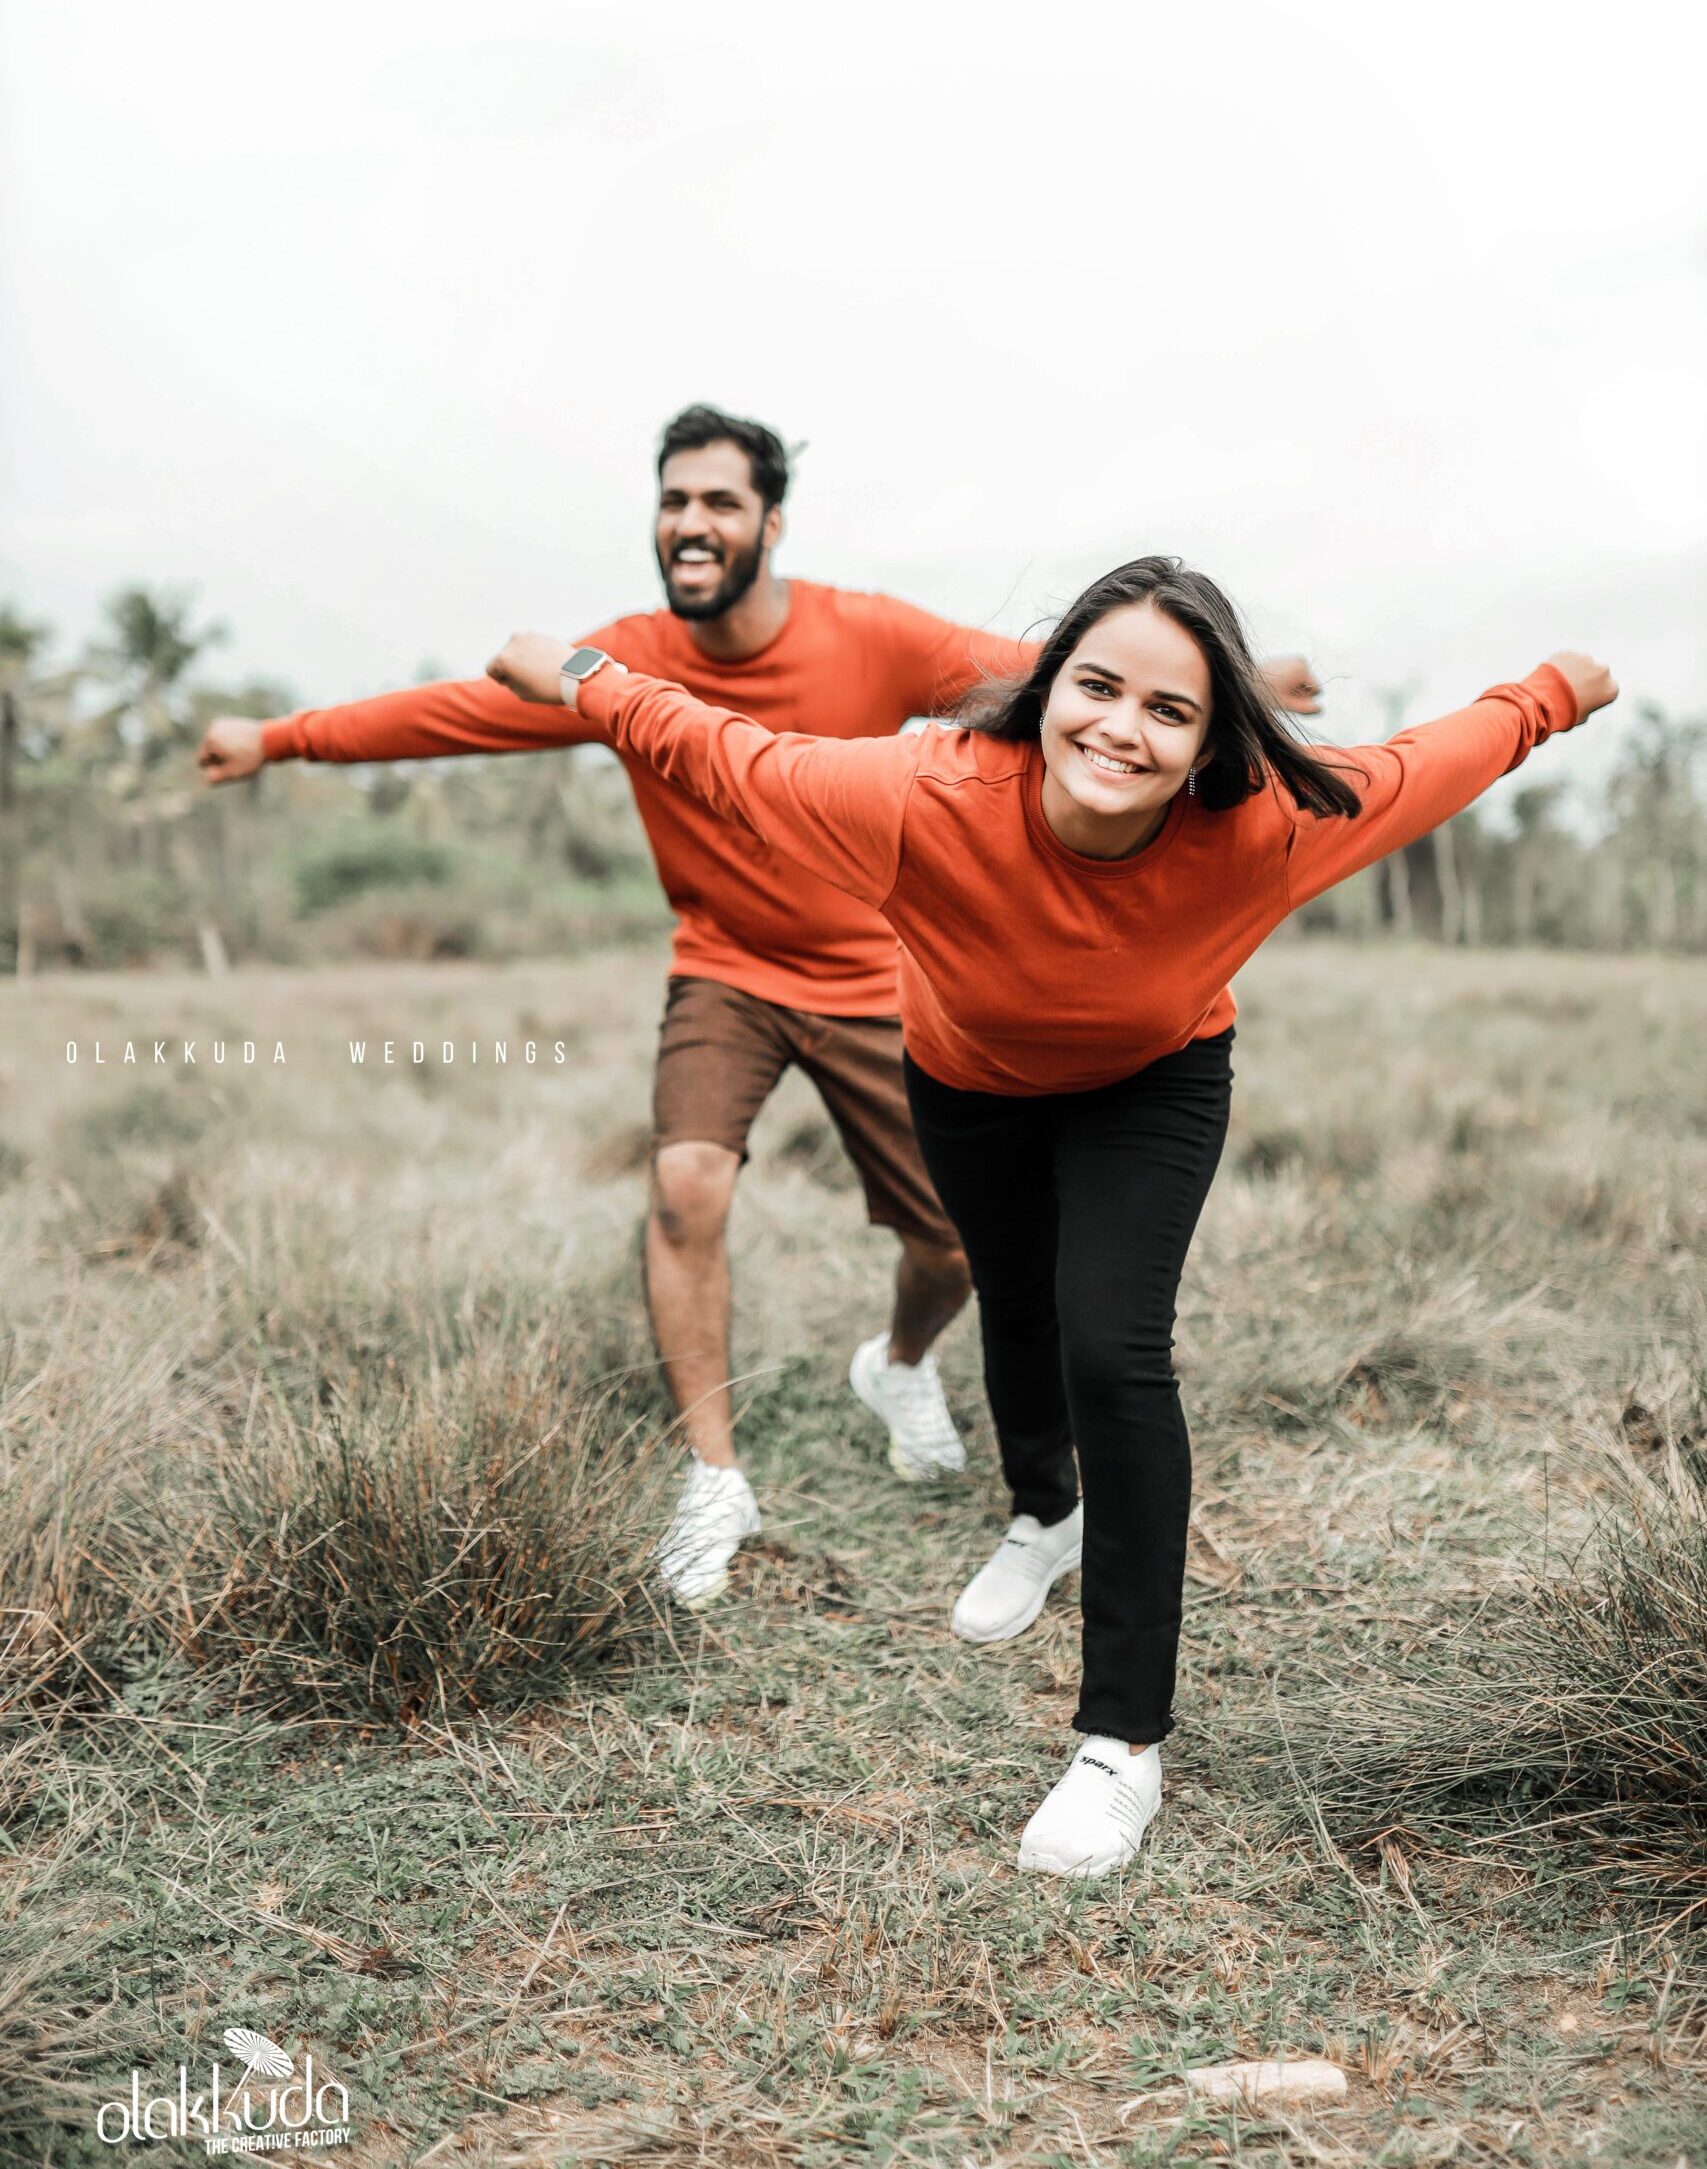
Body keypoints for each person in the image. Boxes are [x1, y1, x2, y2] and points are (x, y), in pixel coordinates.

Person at [482, 557, 1616, 1877]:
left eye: (1166, 712)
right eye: (1095, 687)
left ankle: (1119, 1746)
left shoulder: (1270, 823)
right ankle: (1041, 1511)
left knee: (1110, 1347)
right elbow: (714, 747)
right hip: (968, 1083)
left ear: (1205, 746)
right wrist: (576, 669)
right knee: (1010, 1299)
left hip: (1154, 1080)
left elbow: (1440, 755)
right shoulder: (918, 794)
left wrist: (1551, 692)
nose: (1118, 730)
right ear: (1045, 688)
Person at [197, 407, 1325, 1610]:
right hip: (723, 971)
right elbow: (455, 717)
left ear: (769, 524)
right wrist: (278, 738)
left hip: (883, 980)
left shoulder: (871, 636)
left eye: (720, 502)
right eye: (674, 501)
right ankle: (713, 1477)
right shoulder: (625, 654)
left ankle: (896, 1365)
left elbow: (1046, 678)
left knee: (954, 1248)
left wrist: (1235, 693)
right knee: (686, 1182)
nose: (692, 522)